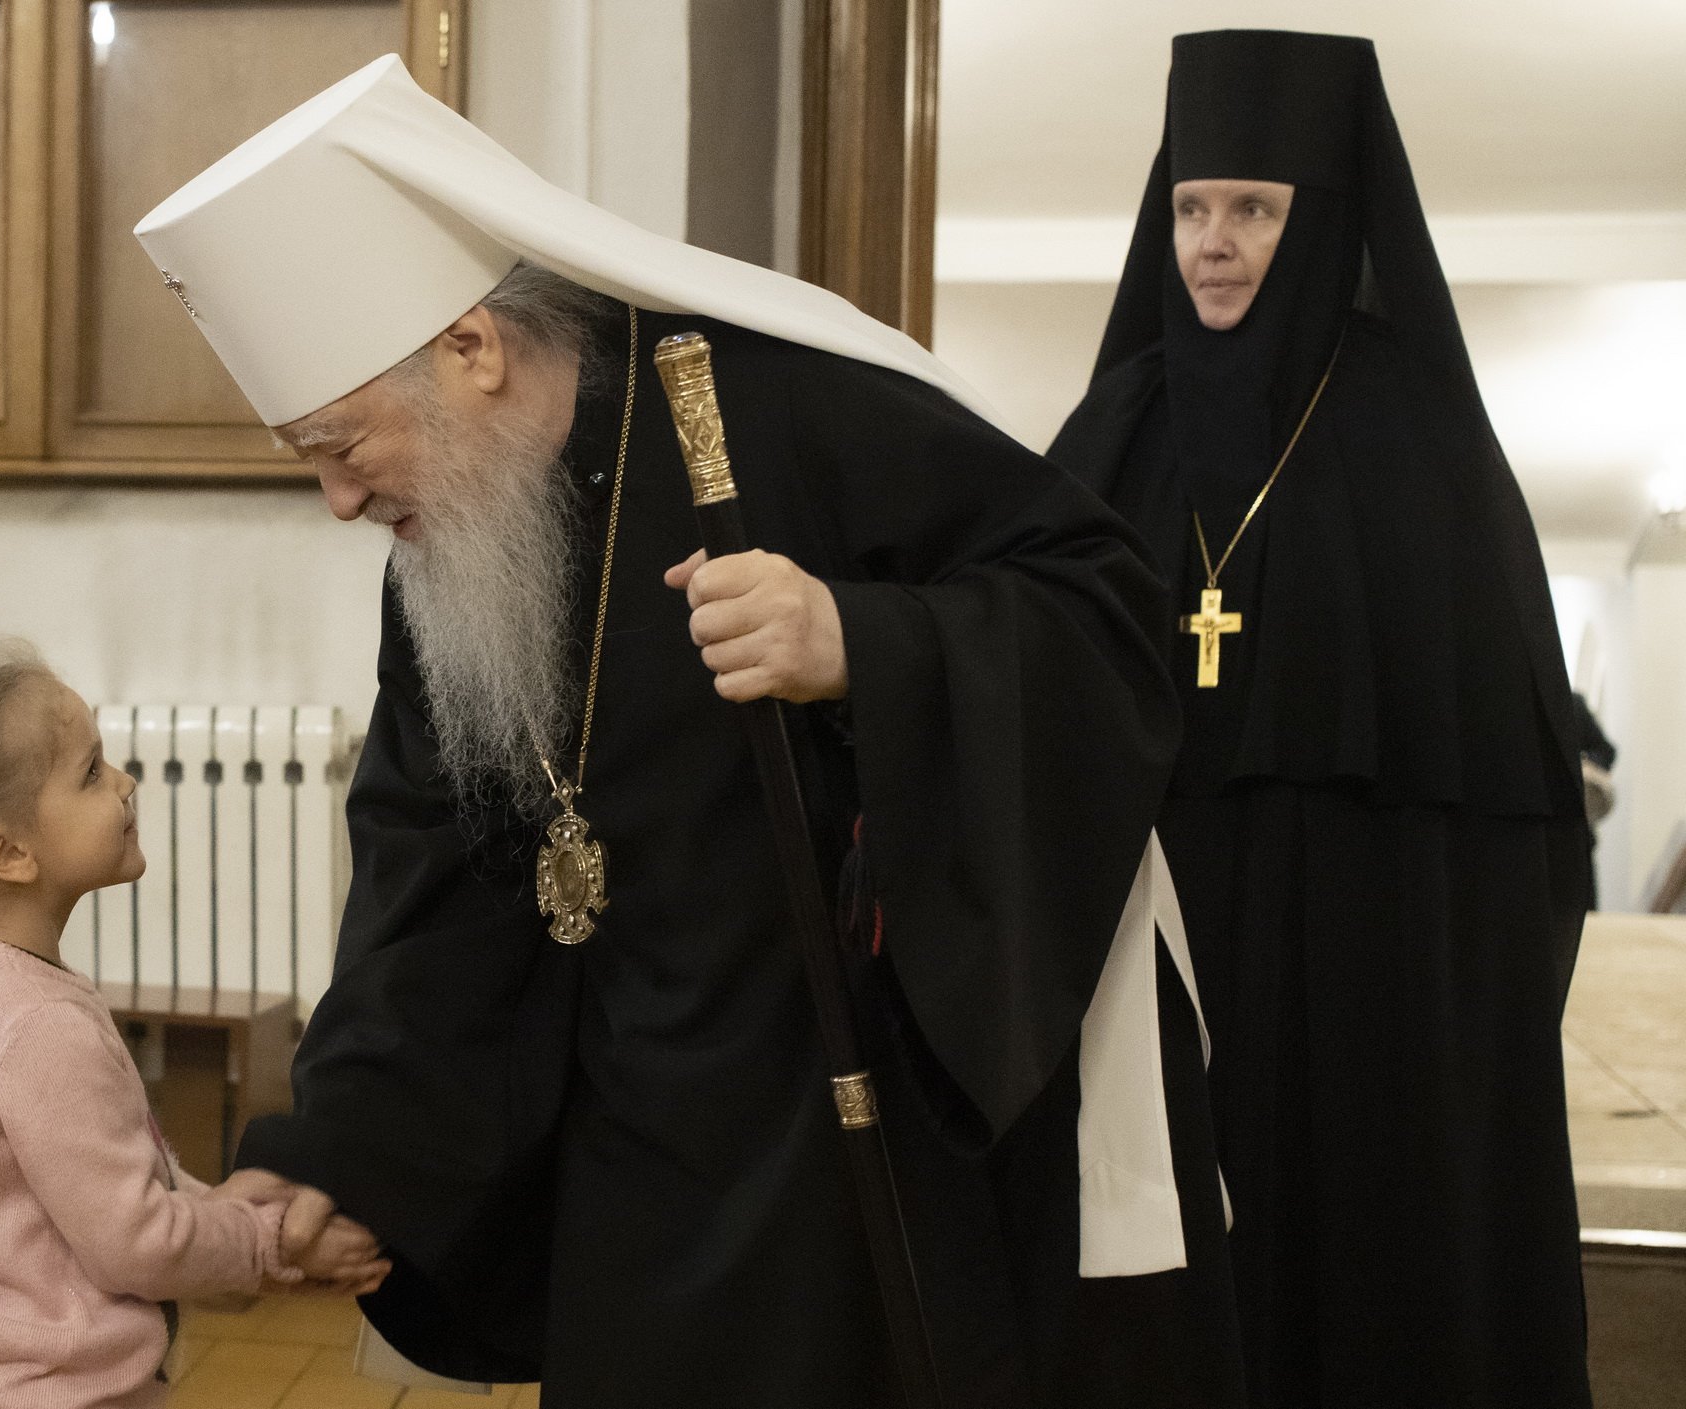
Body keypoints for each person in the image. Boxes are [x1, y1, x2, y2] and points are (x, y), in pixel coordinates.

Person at [134, 55, 1244, 1407]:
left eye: (341, 444)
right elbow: (428, 871)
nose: (337, 500)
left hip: (850, 1116)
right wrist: (342, 1147)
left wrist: (857, 640)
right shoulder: (454, 548)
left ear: (470, 350)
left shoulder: (773, 397)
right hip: (632, 1133)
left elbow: (1098, 610)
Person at [1048, 30, 1593, 1409]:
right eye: (1191, 206)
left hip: (1367, 985)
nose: (1214, 243)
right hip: (1151, 981)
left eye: (1253, 208)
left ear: (1326, 215)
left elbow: (1501, 799)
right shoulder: (1113, 432)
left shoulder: (1422, 443)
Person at [0, 651, 390, 1408]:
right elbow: (136, 1242)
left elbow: (114, 1187)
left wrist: (233, 1212)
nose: (125, 782)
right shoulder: (39, 1027)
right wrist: (269, 1245)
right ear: (9, 853)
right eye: (90, 772)